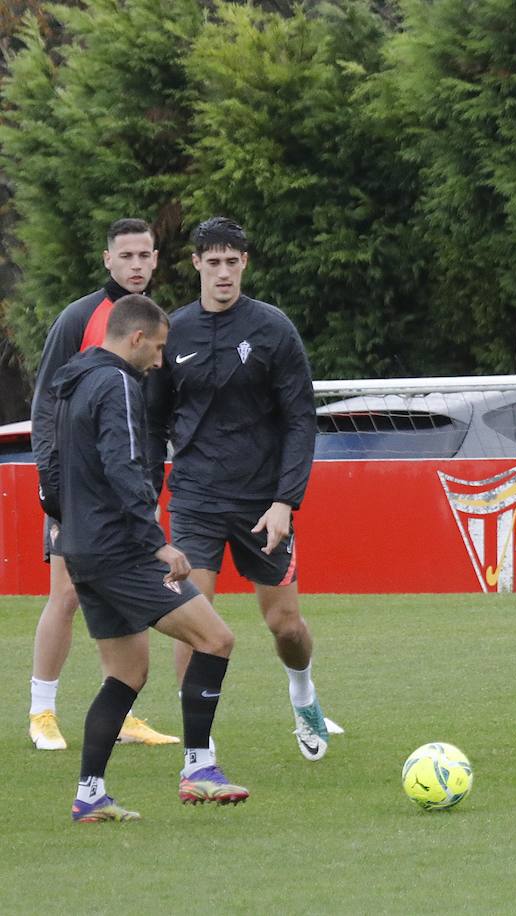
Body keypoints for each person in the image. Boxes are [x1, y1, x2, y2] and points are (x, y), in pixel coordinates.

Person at [39, 294, 248, 823]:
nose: (159, 361)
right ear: (135, 338)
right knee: (217, 639)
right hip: (122, 550)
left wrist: (65, 520)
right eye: (156, 349)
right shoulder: (117, 384)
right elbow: (124, 465)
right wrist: (156, 541)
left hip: (80, 549)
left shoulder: (71, 382)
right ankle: (199, 769)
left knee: (126, 674)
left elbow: (51, 464)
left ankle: (90, 795)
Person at [147, 217, 339, 761]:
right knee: (195, 616)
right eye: (214, 263)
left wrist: (285, 502)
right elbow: (155, 420)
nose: (224, 272)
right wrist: (145, 492)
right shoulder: (174, 330)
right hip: (195, 500)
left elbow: (302, 419)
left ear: (245, 264)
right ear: (197, 266)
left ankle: (303, 693)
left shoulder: (273, 329)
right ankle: (197, 748)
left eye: (233, 262)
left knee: (285, 624)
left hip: (262, 504)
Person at [26, 218, 178, 750]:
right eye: (126, 255)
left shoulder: (154, 323)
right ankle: (41, 711)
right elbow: (47, 403)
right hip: (76, 488)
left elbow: (152, 412)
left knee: (124, 595)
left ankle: (125, 710)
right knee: (66, 593)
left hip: (127, 489)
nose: (136, 264)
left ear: (156, 260)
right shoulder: (80, 318)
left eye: (145, 255)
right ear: (107, 260)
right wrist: (51, 485)